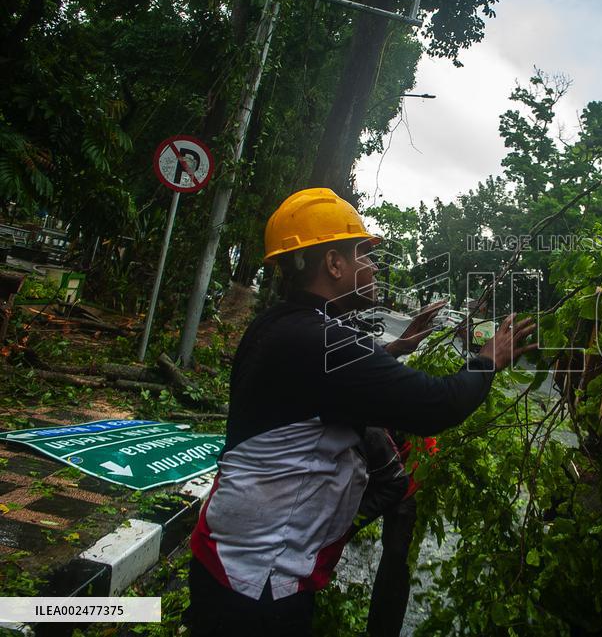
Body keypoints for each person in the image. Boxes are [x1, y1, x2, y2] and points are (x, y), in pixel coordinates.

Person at [184, 187, 536, 636]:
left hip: (232, 564)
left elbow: (322, 387)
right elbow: (437, 404)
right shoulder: (324, 343)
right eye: (364, 255)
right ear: (333, 264)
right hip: (257, 587)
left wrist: (397, 346)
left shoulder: (280, 326)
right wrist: (489, 358)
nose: (373, 267)